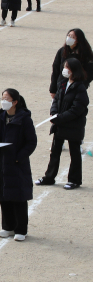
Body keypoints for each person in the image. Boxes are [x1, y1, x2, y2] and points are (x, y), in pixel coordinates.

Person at [0, 89, 37, 240]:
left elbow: (31, 142)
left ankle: (21, 230)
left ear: (15, 102)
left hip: (17, 164)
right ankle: (8, 227)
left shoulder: (24, 119)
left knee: (19, 197)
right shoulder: (0, 117)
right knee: (4, 196)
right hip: (1, 163)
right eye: (2, 98)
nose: (3, 101)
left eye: (6, 98)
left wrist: (19, 157)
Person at [40, 59, 90, 190]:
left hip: (73, 126)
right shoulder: (63, 83)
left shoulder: (80, 88)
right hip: (60, 124)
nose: (65, 69)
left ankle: (74, 180)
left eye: (67, 67)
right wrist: (54, 112)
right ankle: (49, 177)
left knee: (74, 153)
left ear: (74, 70)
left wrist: (60, 118)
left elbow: (77, 109)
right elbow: (56, 100)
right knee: (55, 152)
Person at [49, 29, 93, 99]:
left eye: (72, 37)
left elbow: (90, 72)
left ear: (78, 40)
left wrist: (82, 85)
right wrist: (53, 89)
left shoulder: (85, 54)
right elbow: (55, 70)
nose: (69, 38)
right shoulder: (62, 51)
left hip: (77, 88)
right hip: (61, 86)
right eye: (68, 35)